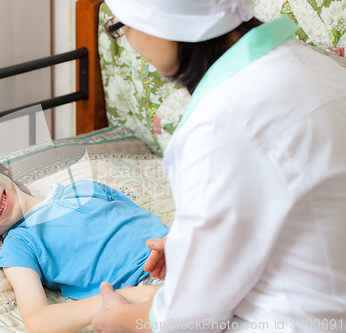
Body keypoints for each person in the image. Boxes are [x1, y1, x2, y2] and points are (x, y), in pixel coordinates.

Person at [92, 0, 346, 332]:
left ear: (163, 23)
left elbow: (188, 322)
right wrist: (198, 242)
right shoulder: (313, 64)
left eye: (121, 26)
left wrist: (118, 319)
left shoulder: (221, 122)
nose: (130, 42)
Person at [0, 146, 169, 333]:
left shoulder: (84, 187)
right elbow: (38, 320)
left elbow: (146, 221)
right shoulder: (20, 244)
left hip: (181, 252)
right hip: (144, 287)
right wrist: (128, 296)